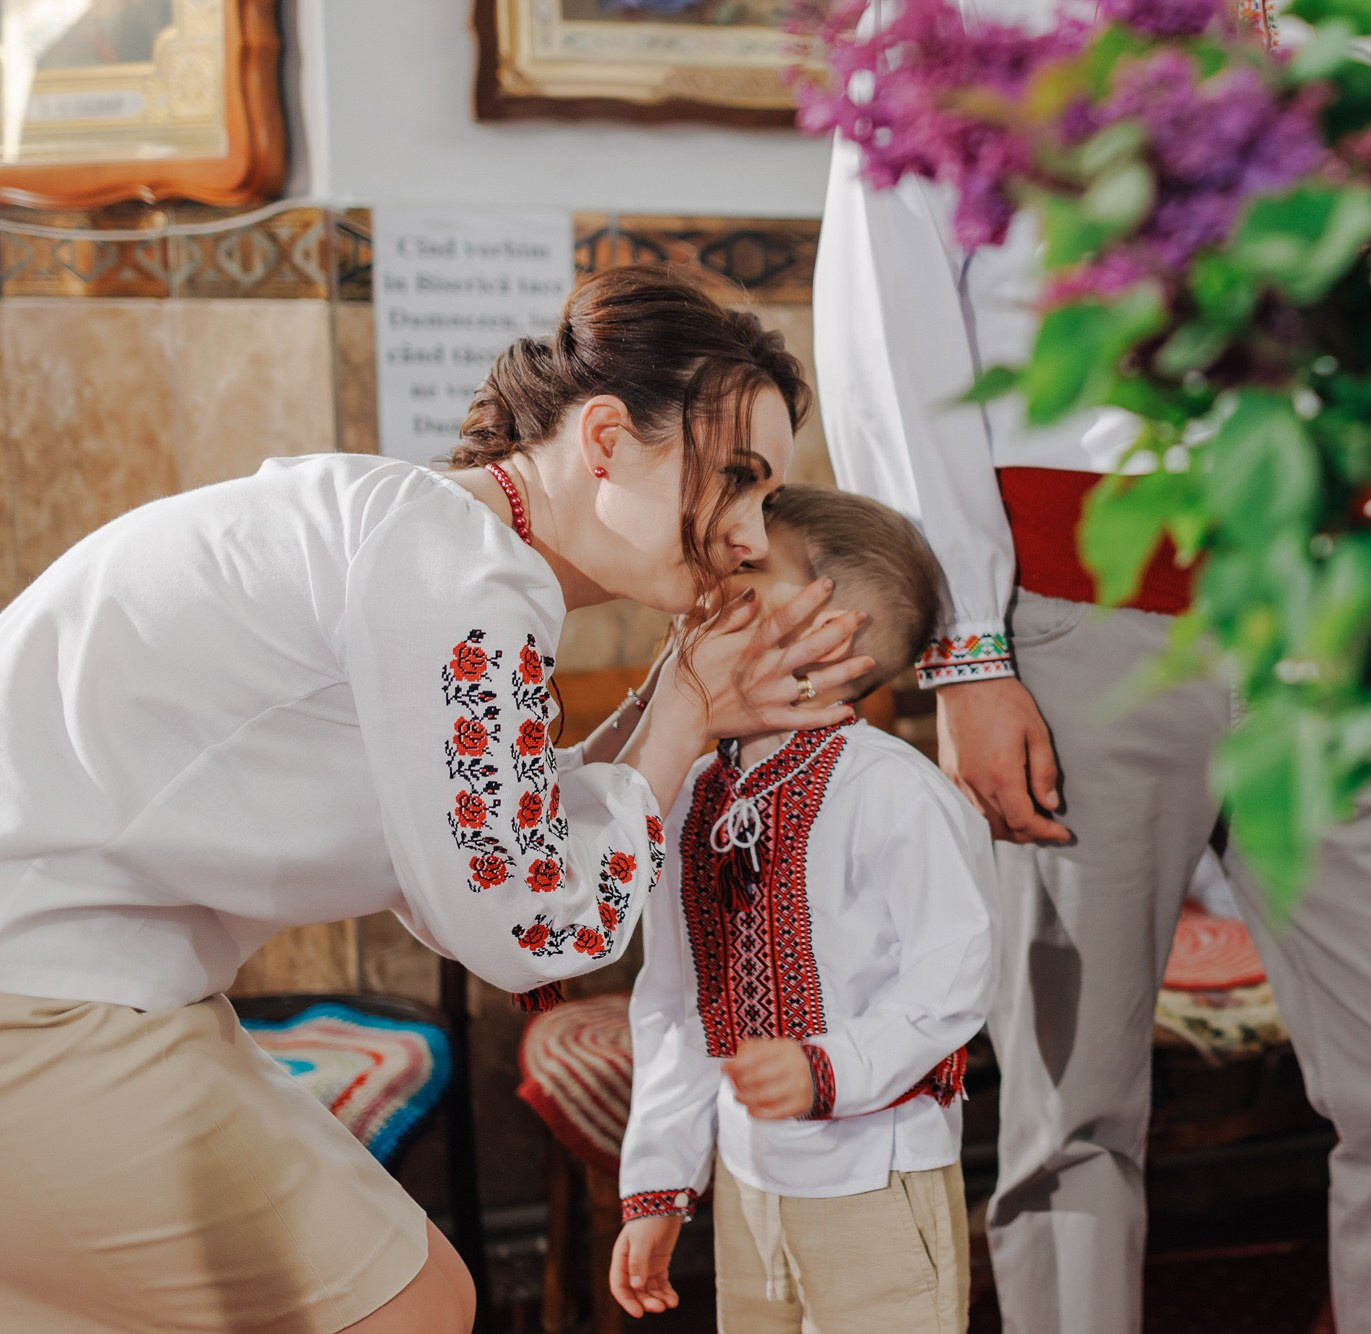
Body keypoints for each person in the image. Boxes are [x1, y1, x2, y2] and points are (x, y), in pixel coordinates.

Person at [0, 266, 875, 1334]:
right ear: (605, 439)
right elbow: (530, 921)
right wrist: (685, 713)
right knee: (410, 1300)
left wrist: (679, 699)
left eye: (766, 500)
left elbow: (492, 830)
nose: (746, 533)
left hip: (80, 972)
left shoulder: (425, 532)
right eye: (735, 477)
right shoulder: (462, 575)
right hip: (39, 990)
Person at [810, 19, 1371, 1334]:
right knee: (1075, 1106)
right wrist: (966, 653)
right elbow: (889, 330)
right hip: (1071, 619)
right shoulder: (951, 25)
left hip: (1320, 617)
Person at [611, 485, 995, 1334]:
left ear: (834, 634)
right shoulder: (693, 794)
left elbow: (953, 982)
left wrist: (830, 1066)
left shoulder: (895, 792)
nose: (717, 577)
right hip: (751, 1184)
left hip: (876, 1177)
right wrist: (662, 1180)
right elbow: (677, 1005)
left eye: (751, 566)